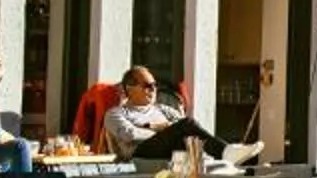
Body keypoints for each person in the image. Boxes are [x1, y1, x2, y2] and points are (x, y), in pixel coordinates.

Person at [101, 67, 248, 164]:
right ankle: (226, 153)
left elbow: (184, 131)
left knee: (188, 136)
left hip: (169, 152)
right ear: (130, 89)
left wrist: (162, 129)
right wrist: (162, 129)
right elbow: (130, 134)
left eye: (154, 85)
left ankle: (224, 160)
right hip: (139, 154)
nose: (153, 89)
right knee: (186, 125)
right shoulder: (116, 113)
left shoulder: (164, 110)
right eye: (147, 86)